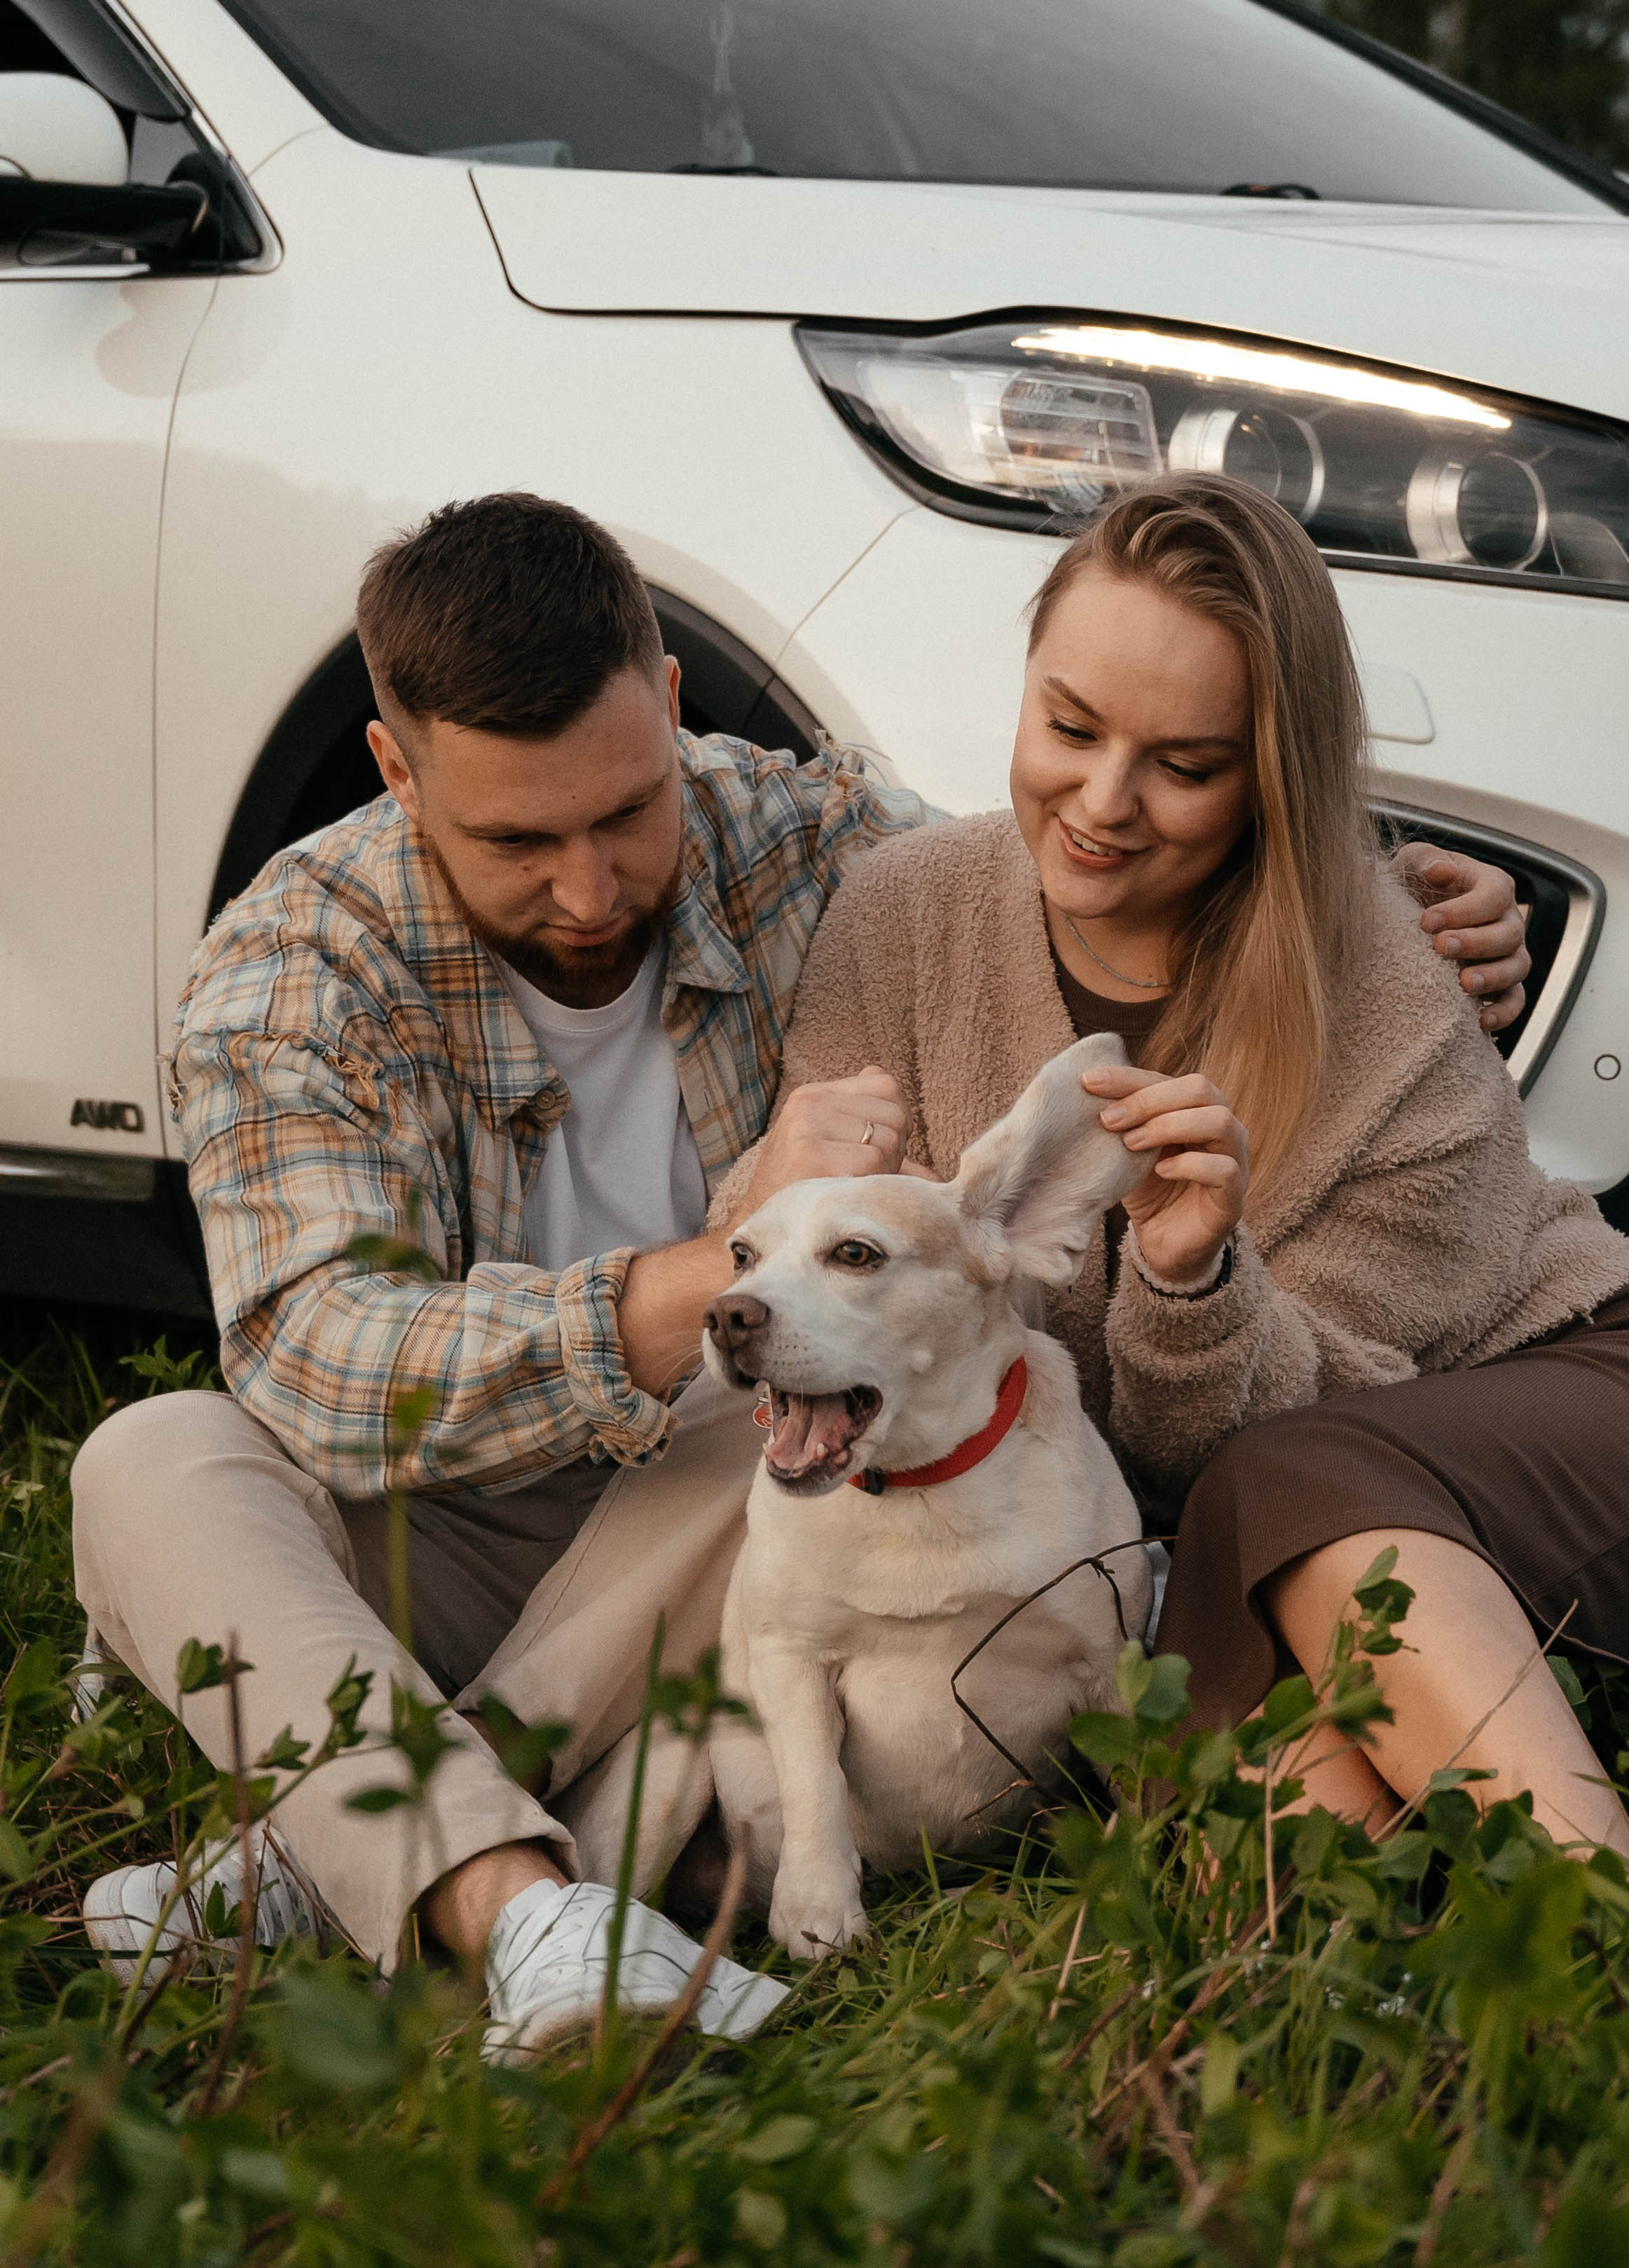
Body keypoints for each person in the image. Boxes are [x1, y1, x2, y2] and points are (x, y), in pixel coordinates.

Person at [69, 490, 1532, 2049]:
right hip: (446, 1540)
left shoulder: (795, 836)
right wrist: (694, 1283)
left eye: (626, 812)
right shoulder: (294, 969)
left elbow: (1073, 864)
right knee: (149, 1459)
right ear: (394, 768)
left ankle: (433, 1882)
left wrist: (1372, 896)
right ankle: (466, 1871)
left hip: (735, 1504)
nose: (591, 887)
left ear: (671, 708)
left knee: (800, 1414)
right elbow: (320, 1367)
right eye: (516, 840)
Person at [739, 471, 1629, 1858]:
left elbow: (1275, 1435)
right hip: (1203, 1533)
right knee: (1261, 1809)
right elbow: (824, 1285)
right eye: (1067, 725)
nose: (1101, 801)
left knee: (1279, 1483)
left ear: (1267, 775)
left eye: (1186, 765)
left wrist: (1189, 1281)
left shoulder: (1391, 993)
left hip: (1544, 1403)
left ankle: (1594, 1908)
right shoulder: (902, 912)